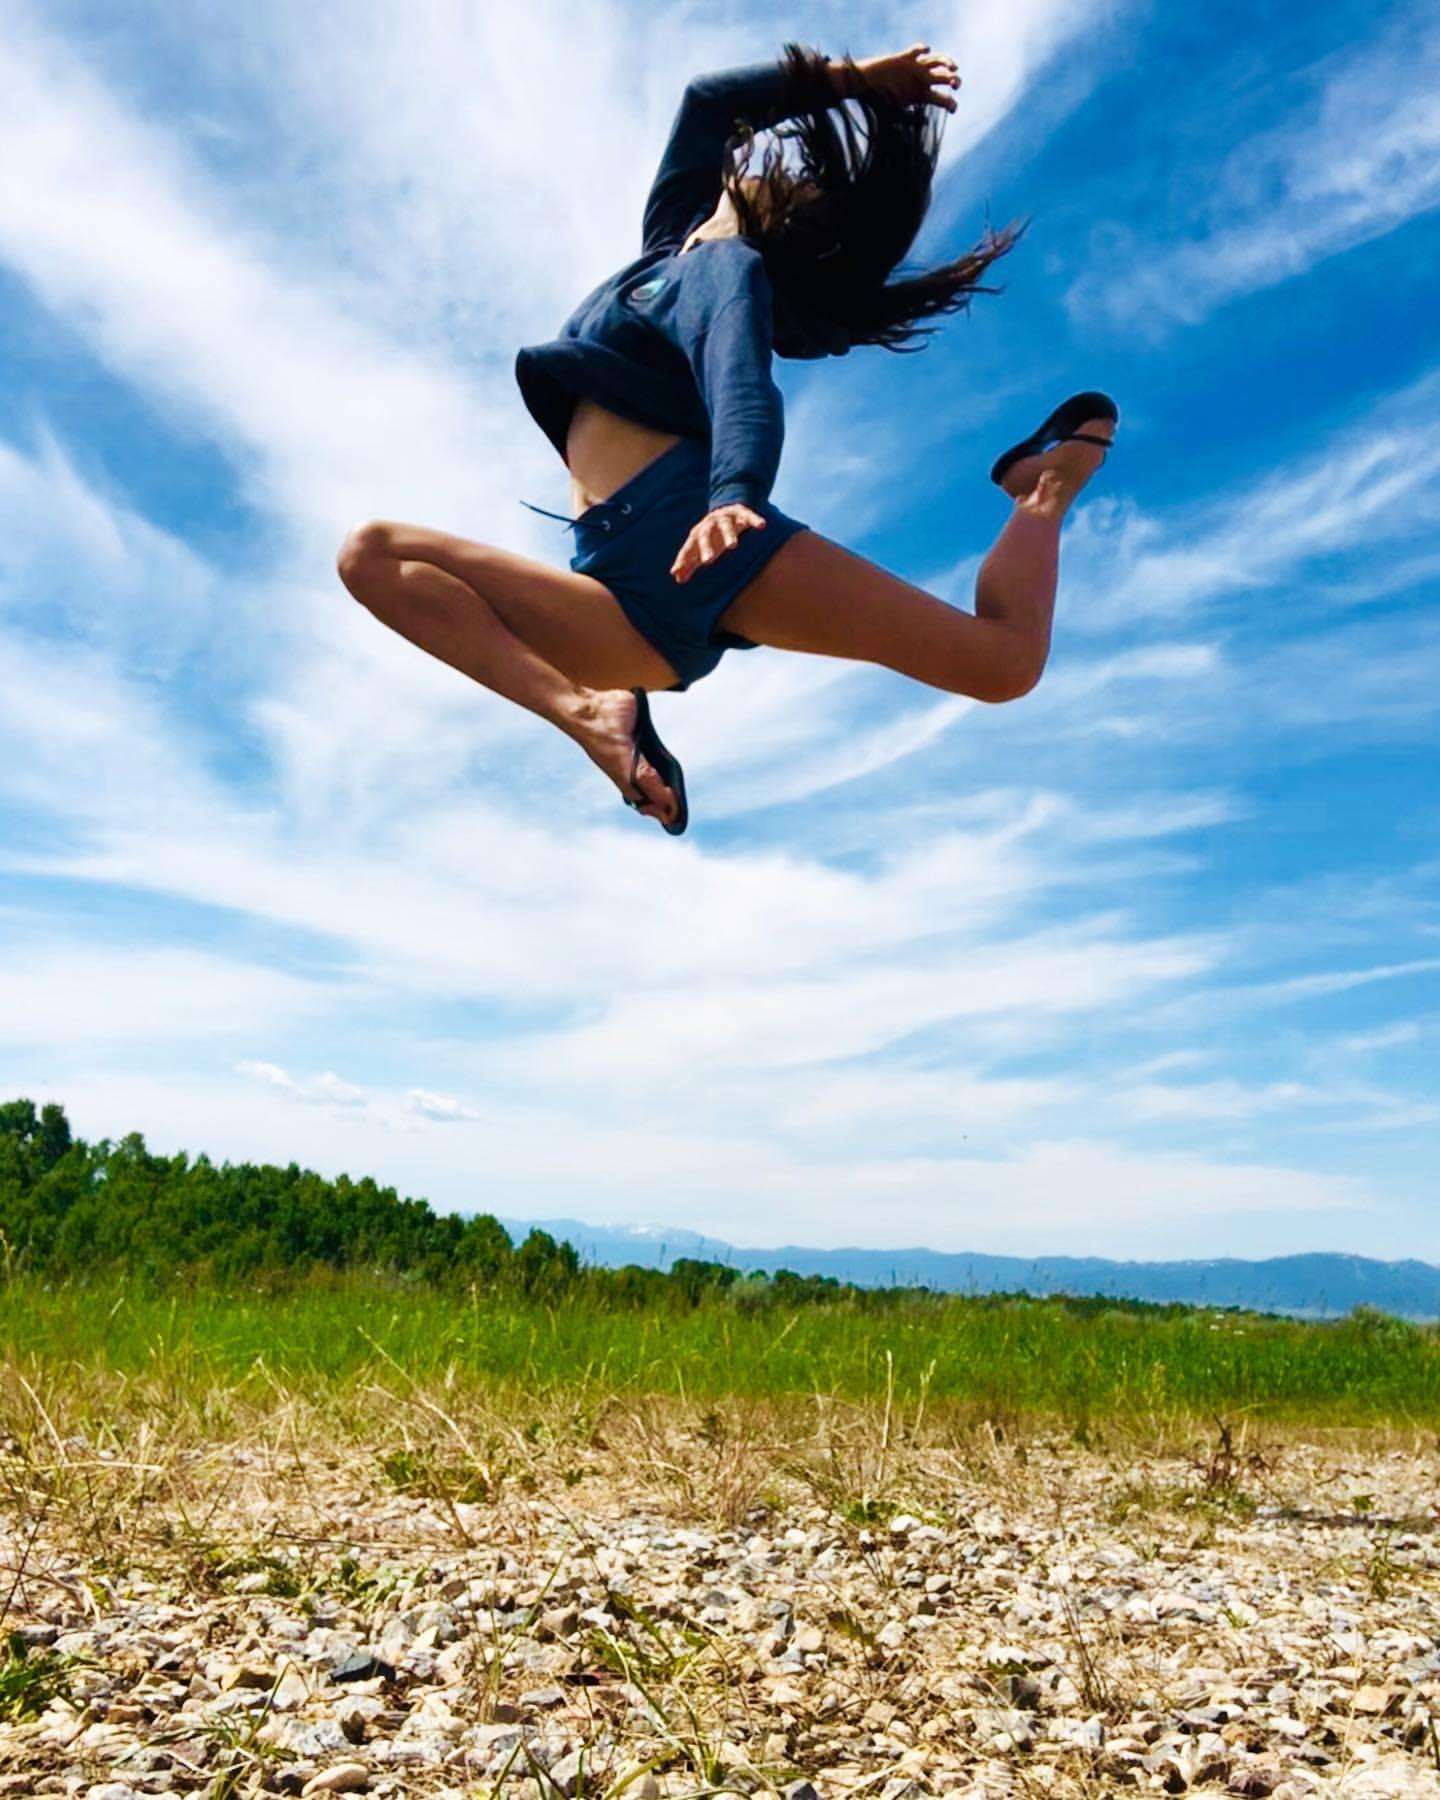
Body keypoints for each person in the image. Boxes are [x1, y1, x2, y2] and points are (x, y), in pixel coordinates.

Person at [336, 42, 1116, 836]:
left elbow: (739, 376)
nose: (745, 160)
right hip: (620, 585)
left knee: (1002, 664)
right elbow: (706, 105)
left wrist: (734, 494)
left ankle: (1043, 492)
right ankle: (596, 716)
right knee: (373, 556)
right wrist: (854, 81)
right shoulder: (665, 249)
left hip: (704, 536)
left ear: (779, 206)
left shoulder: (729, 269)